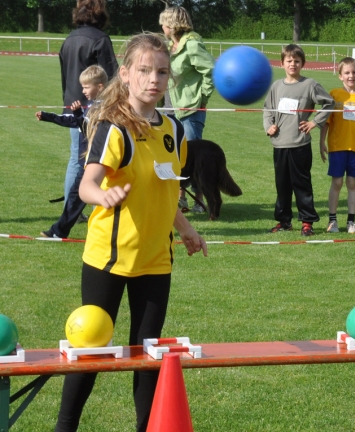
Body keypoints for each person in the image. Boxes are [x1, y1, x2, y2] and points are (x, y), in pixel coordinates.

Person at [54, 33, 208, 432]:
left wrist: (187, 230)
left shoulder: (174, 129)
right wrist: (103, 197)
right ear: (125, 74)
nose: (153, 79)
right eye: (144, 70)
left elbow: (167, 188)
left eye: (161, 71)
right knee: (92, 352)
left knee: (148, 355)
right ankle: (64, 427)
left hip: (156, 260)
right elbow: (87, 185)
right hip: (109, 257)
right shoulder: (114, 128)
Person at [262, 44, 335, 236]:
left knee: (302, 185)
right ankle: (284, 221)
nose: (292, 64)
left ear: (302, 63)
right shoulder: (276, 86)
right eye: (289, 61)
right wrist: (268, 127)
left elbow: (329, 103)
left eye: (297, 61)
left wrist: (315, 123)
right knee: (282, 185)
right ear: (282, 63)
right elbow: (267, 109)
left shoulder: (309, 84)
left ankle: (307, 222)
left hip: (300, 144)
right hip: (279, 144)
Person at [37, 65, 108, 239]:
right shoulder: (91, 106)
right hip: (90, 160)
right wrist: (47, 117)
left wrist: (77, 114)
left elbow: (89, 131)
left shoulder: (104, 108)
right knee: (76, 197)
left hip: (99, 161)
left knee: (83, 196)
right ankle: (58, 231)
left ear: (100, 87)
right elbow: (73, 121)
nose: (83, 91)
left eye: (86, 87)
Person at [59, 0, 117, 203]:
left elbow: (64, 79)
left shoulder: (68, 39)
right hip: (95, 111)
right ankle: (82, 206)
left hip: (72, 107)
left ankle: (70, 206)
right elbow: (112, 78)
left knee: (77, 159)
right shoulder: (101, 39)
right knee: (98, 159)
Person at [159, 6, 215, 214]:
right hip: (168, 110)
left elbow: (211, 70)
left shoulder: (192, 45)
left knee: (194, 156)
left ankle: (200, 200)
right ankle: (180, 198)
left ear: (172, 25)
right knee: (173, 155)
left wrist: (202, 98)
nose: (162, 27)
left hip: (190, 110)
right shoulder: (169, 47)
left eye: (163, 24)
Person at [319, 57, 355, 234]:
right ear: (340, 76)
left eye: (354, 72)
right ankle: (332, 221)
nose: (351, 76)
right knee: (337, 182)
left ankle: (351, 222)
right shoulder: (334, 94)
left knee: (352, 183)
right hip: (337, 147)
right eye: (347, 73)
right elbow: (327, 122)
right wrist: (321, 143)